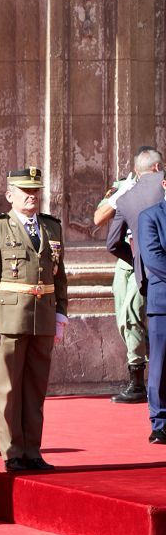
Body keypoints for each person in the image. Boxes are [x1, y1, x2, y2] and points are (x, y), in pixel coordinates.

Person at [0, 167, 69, 471]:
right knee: (8, 389)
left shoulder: (51, 228)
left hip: (42, 316)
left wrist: (61, 312)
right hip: (10, 317)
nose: (31, 196)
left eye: (35, 191)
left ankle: (32, 450)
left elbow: (60, 275)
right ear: (9, 195)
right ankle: (12, 452)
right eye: (25, 191)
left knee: (35, 388)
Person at [106, 148, 164, 401]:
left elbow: (111, 243)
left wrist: (140, 261)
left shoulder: (126, 196)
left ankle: (150, 401)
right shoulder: (160, 186)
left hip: (149, 277)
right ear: (157, 167)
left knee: (140, 325)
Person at [138, 172, 166, 445]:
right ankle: (160, 422)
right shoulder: (151, 216)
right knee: (161, 363)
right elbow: (154, 257)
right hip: (163, 302)